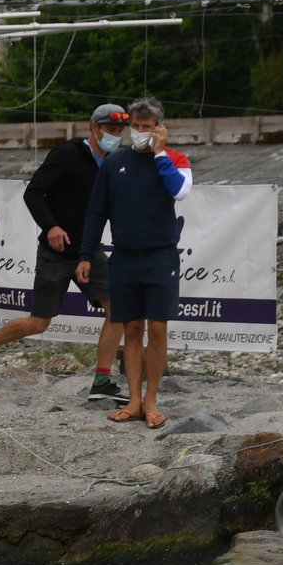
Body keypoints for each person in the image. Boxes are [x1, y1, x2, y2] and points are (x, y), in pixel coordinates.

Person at [0, 102, 130, 402]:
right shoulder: (68, 155)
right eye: (110, 130)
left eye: (120, 132)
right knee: (39, 323)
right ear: (94, 128)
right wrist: (51, 226)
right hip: (57, 252)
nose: (115, 136)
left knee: (117, 308)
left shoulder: (116, 163)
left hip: (89, 252)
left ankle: (102, 380)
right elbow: (34, 192)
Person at [77, 96, 191, 431]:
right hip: (124, 257)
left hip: (160, 257)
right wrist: (85, 254)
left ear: (160, 128)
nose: (141, 132)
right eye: (136, 127)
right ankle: (134, 400)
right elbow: (97, 212)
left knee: (157, 328)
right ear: (130, 127)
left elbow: (180, 191)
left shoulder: (175, 160)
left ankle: (152, 399)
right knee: (130, 328)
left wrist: (159, 154)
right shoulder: (114, 163)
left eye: (148, 127)